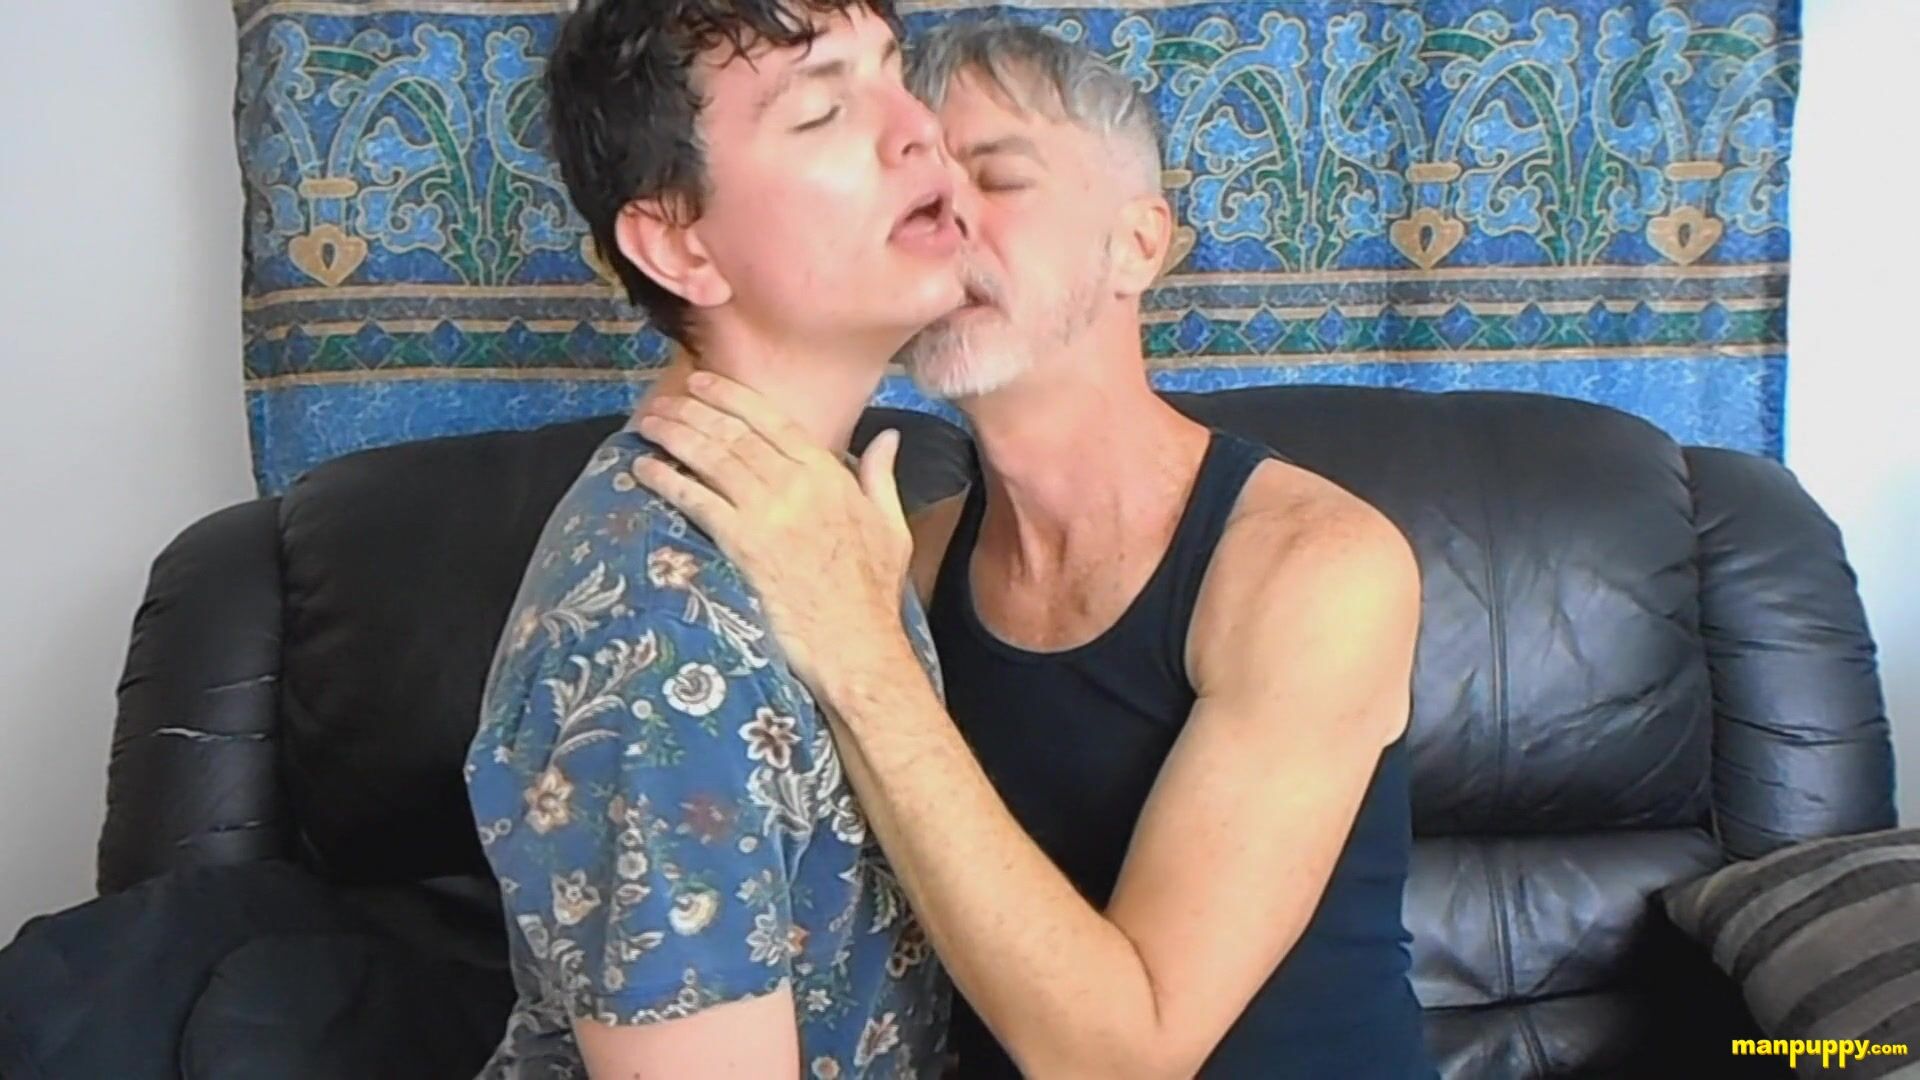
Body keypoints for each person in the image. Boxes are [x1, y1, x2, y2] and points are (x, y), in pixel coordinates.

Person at [631, 22, 1438, 1079]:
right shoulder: (903, 561)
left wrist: (863, 655)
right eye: (918, 187)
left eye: (998, 178)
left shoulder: (1318, 569)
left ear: (1138, 243)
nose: (945, 215)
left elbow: (1125, 1057)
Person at [462, 2, 971, 1076]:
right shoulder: (659, 635)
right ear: (679, 242)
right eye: (824, 110)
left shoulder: (808, 511)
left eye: (897, 73)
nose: (917, 130)